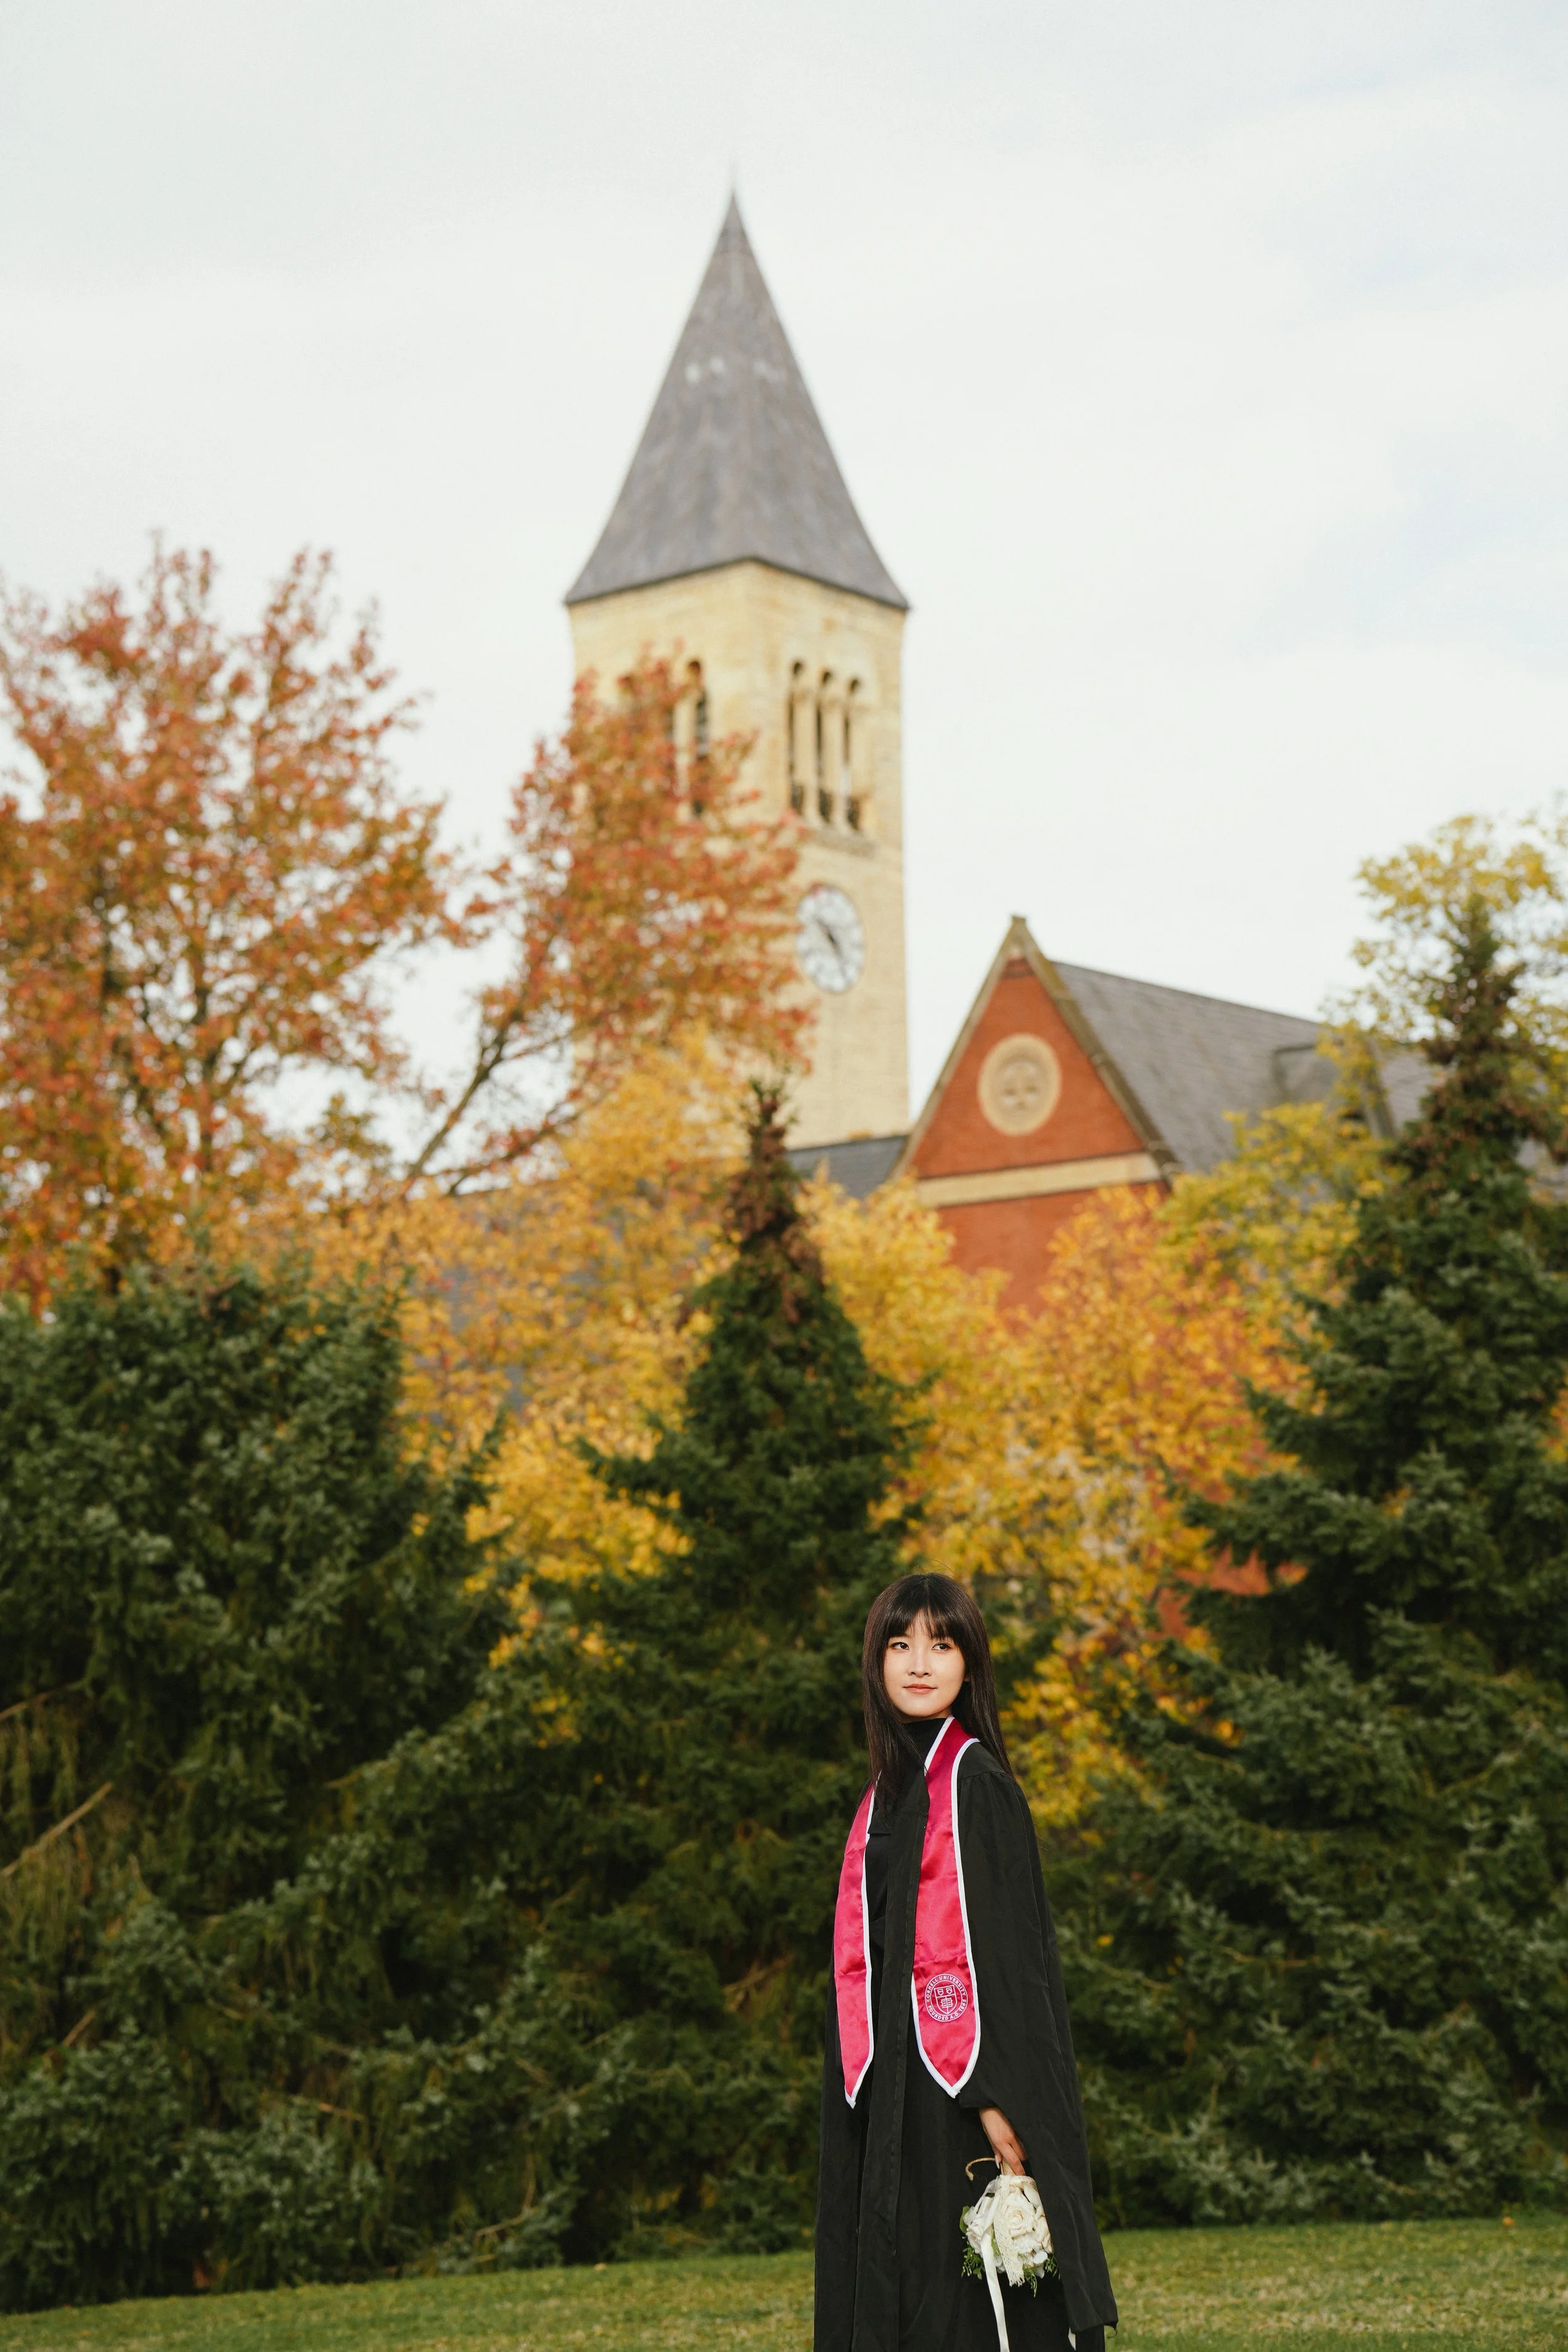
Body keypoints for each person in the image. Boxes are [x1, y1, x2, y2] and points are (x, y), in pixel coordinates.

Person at [814, 1573, 1118, 2352]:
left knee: (971, 2304)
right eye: (900, 1644)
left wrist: (994, 2097)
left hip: (960, 2092)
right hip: (890, 2098)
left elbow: (1013, 1965)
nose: (919, 1663)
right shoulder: (884, 1793)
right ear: (875, 1663)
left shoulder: (975, 1784)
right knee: (908, 2286)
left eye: (941, 1645)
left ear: (968, 1664)